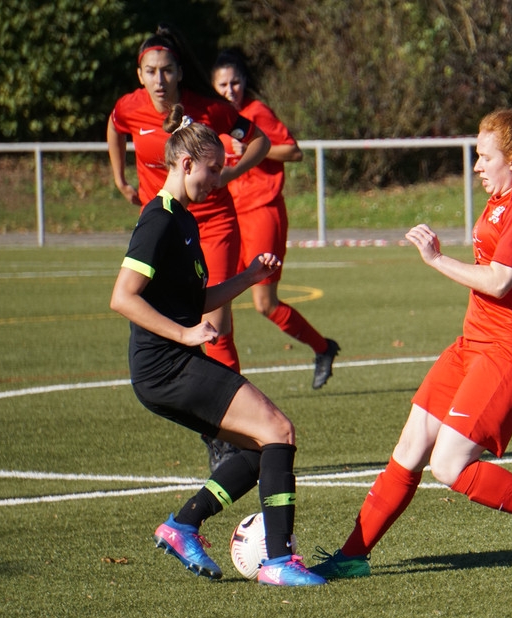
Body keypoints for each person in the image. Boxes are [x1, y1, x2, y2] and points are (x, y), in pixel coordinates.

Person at [309, 110, 512, 580]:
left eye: (485, 157)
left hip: (510, 347)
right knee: (411, 445)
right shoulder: (505, 196)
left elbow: (500, 281)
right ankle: (352, 556)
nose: (477, 166)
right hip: (474, 340)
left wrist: (436, 259)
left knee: (449, 465)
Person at [109, 106, 325, 587]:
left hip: (173, 365)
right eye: (212, 169)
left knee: (259, 447)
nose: (218, 179)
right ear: (186, 163)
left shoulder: (184, 220)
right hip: (165, 366)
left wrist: (249, 277)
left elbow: (194, 301)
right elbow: (122, 297)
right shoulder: (159, 219)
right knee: (278, 431)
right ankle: (278, 561)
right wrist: (185, 334)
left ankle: (183, 525)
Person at [107, 24, 271, 469]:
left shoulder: (208, 108)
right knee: (169, 316)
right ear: (139, 75)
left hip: (211, 224)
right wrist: (119, 178)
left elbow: (259, 140)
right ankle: (223, 429)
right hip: (163, 224)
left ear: (180, 72)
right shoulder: (128, 107)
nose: (159, 80)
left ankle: (231, 432)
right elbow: (115, 127)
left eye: (167, 70)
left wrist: (227, 175)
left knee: (214, 325)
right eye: (150, 71)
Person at [211, 49, 339, 390]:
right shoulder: (216, 116)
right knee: (216, 299)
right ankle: (222, 380)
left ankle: (323, 348)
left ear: (244, 82)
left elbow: (293, 151)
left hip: (262, 210)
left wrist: (254, 149)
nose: (230, 90)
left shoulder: (256, 112)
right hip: (229, 215)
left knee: (264, 303)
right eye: (222, 84)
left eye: (235, 82)